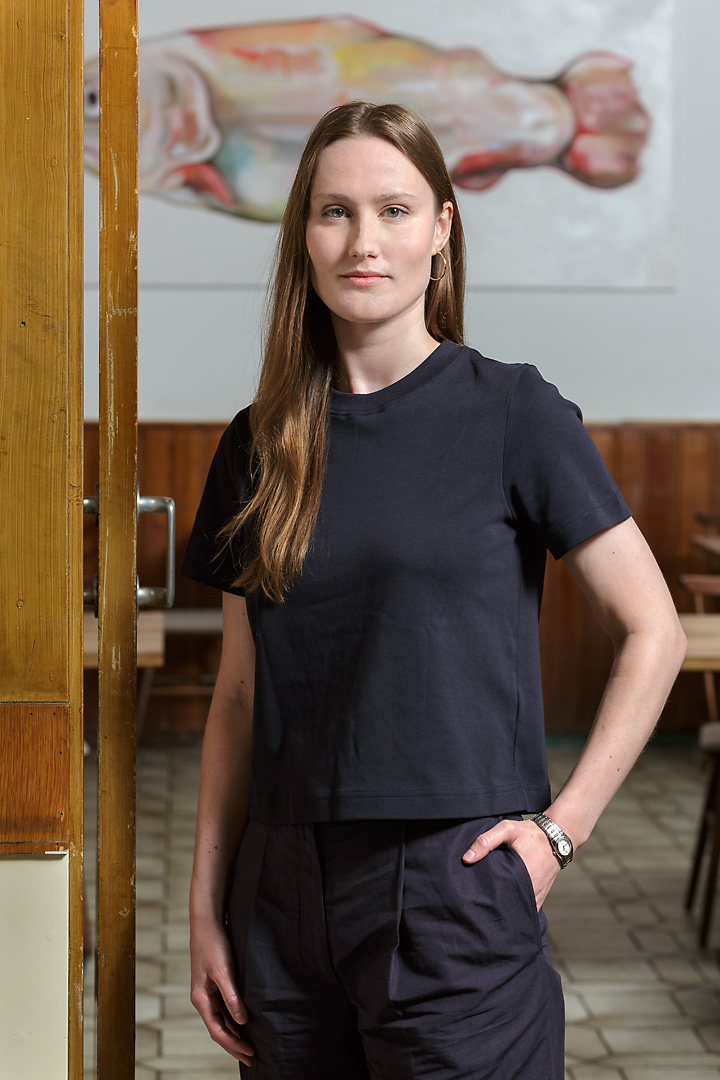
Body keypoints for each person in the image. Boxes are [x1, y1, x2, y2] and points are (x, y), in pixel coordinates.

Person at [181, 101, 686, 1079]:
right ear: (304, 236)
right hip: (282, 893)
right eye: (335, 212)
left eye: (395, 210)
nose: (364, 240)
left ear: (443, 229)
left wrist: (558, 835)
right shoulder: (258, 444)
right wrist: (208, 906)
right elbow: (239, 697)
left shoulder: (512, 412)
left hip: (455, 882)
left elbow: (654, 630)